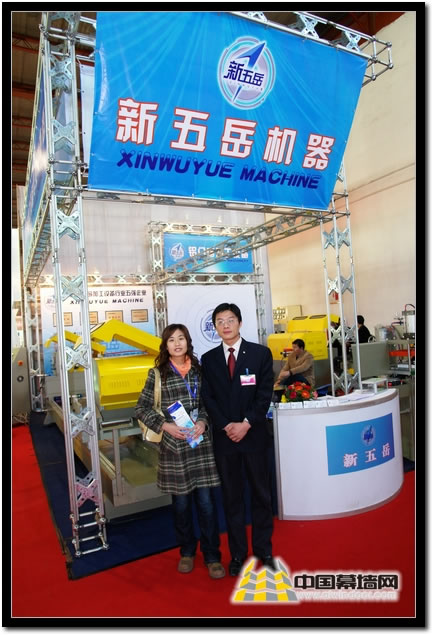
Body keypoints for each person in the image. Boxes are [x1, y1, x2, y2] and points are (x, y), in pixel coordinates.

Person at [135, 324, 225, 579]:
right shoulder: (157, 374)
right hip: (174, 447)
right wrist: (166, 426)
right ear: (165, 346)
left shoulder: (199, 371)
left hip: (200, 445)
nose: (177, 344)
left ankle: (212, 556)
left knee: (207, 505)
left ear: (188, 342)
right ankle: (186, 552)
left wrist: (203, 422)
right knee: (181, 505)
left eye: (181, 338)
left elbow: (208, 404)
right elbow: (141, 408)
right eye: (171, 340)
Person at [200, 302, 275, 576]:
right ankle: (238, 554)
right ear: (215, 327)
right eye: (220, 321)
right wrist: (225, 425)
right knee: (232, 498)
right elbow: (208, 398)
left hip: (253, 436)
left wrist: (245, 424)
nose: (226, 325)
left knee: (261, 495)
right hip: (225, 440)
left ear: (240, 323)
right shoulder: (208, 359)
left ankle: (264, 551)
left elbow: (264, 394)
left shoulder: (259, 354)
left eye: (230, 320)